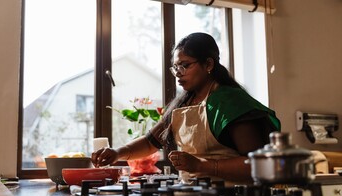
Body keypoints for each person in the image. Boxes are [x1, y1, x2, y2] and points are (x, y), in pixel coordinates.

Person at [92, 32, 280, 184]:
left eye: (185, 65)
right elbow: (151, 142)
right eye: (175, 68)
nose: (178, 74)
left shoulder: (230, 101)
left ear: (208, 64)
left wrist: (202, 166)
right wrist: (118, 153)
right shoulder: (183, 103)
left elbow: (257, 164)